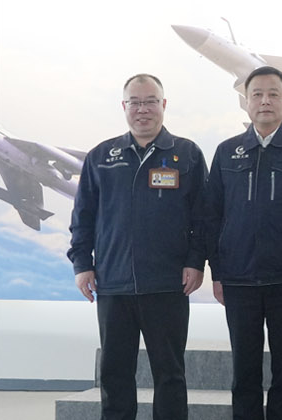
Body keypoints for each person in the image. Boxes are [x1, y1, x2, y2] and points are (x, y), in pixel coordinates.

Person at [68, 73, 208, 420]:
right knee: (115, 374)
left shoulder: (186, 154)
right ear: (124, 106)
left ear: (163, 105)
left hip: (168, 285)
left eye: (150, 101)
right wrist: (82, 265)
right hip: (113, 285)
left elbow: (204, 217)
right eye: (135, 102)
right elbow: (83, 216)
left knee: (170, 374)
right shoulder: (101, 156)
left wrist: (196, 262)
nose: (142, 109)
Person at [202, 65, 282, 420]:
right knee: (245, 374)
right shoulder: (227, 152)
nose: (265, 101)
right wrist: (218, 273)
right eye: (257, 94)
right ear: (247, 101)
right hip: (239, 281)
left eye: (273, 94)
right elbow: (212, 216)